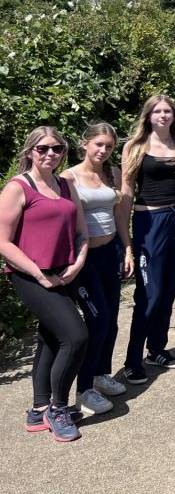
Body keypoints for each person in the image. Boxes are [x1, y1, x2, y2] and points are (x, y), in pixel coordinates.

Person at [0, 128, 90, 441]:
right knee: (76, 337)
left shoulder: (66, 185)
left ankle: (39, 409)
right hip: (30, 275)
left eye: (57, 148)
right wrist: (39, 274)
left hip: (64, 272)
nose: (50, 154)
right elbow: (3, 242)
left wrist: (76, 263)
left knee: (52, 339)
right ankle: (59, 407)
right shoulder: (17, 187)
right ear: (30, 152)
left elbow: (81, 231)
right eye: (43, 149)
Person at [121, 94, 175, 384]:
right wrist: (126, 241)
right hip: (148, 223)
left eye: (168, 111)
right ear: (149, 116)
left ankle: (156, 349)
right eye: (158, 111)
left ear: (174, 116)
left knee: (167, 292)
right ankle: (132, 359)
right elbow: (126, 193)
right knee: (149, 295)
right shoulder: (135, 147)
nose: (164, 116)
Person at [62, 122, 133, 415]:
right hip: (84, 258)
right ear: (85, 144)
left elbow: (118, 217)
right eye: (99, 145)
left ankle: (102, 374)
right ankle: (84, 389)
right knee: (97, 320)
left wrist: (127, 249)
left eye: (109, 146)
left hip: (110, 252)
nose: (103, 150)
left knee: (112, 319)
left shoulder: (111, 173)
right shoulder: (68, 177)